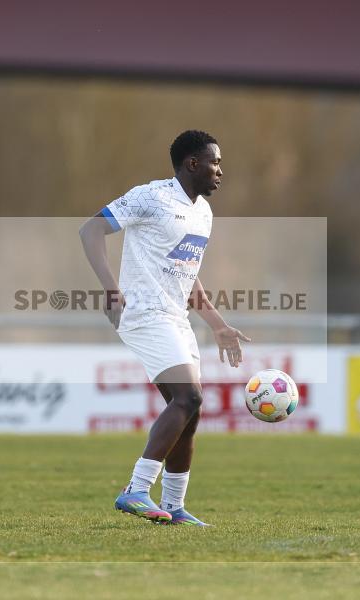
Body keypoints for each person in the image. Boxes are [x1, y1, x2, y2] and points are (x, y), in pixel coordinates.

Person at [79, 130, 249, 526]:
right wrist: (111, 289)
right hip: (143, 312)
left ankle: (173, 506)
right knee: (187, 398)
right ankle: (136, 491)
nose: (220, 171)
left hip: (175, 317)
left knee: (191, 409)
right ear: (193, 164)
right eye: (215, 162)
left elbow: (187, 277)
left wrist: (219, 325)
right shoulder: (150, 197)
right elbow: (90, 230)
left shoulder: (203, 213)